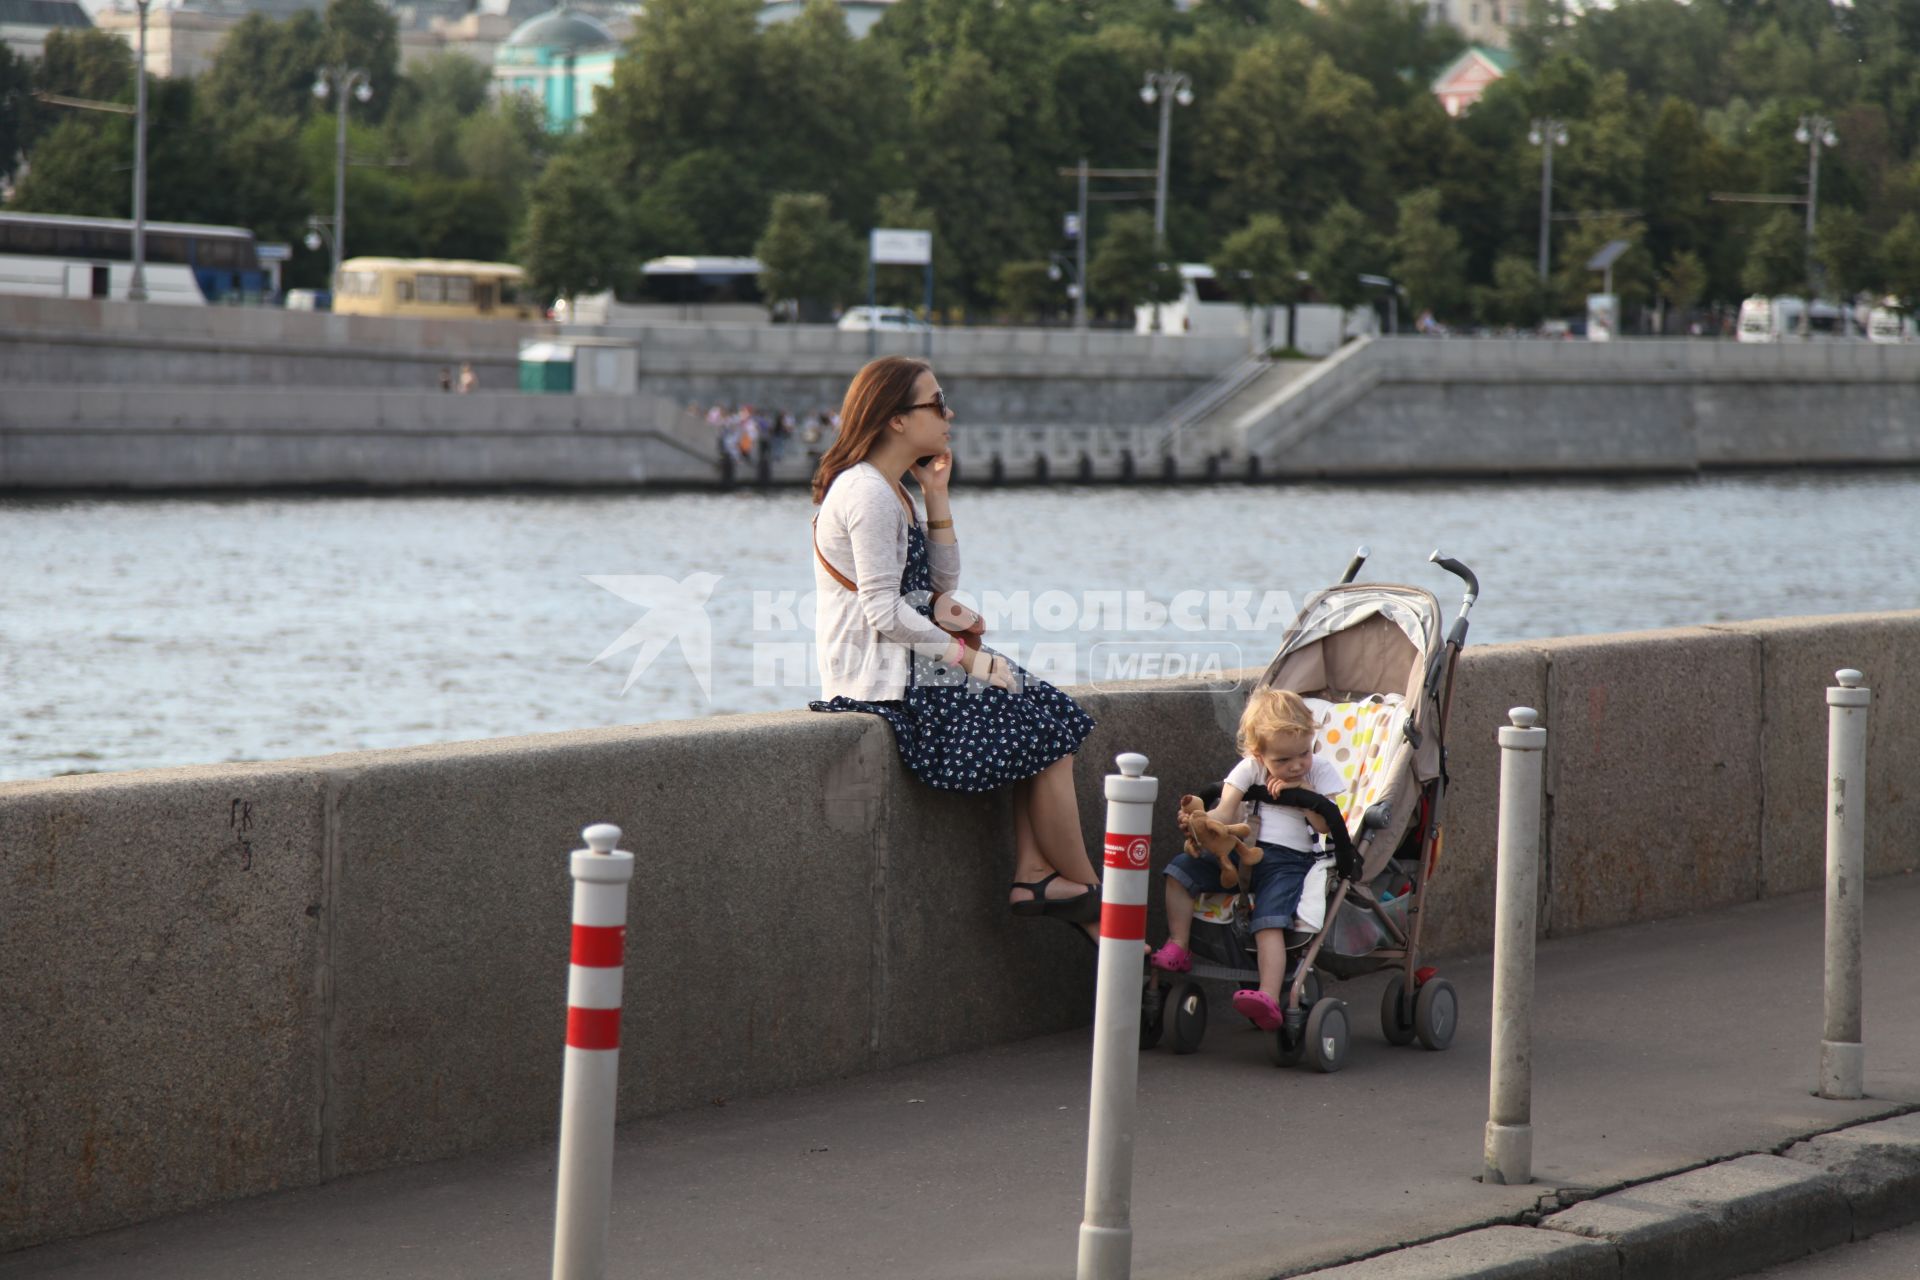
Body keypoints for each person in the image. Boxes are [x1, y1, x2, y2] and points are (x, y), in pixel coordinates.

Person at [808, 356, 1102, 934]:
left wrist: (936, 495)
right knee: (1047, 724)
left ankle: (1038, 872)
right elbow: (883, 611)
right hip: (886, 686)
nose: (950, 413)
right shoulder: (865, 493)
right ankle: (1090, 900)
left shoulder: (893, 490)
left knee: (1050, 717)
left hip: (914, 671)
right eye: (936, 403)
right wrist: (969, 657)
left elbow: (940, 586)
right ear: (896, 419)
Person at [1148, 688, 1349, 1027]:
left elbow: (1325, 825)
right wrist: (1201, 826)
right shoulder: (1250, 769)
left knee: (1269, 919)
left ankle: (1268, 995)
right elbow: (1225, 812)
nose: (1296, 765)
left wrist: (1303, 797)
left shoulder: (1318, 772)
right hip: (1240, 853)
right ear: (1260, 753)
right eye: (1283, 761)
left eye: (1303, 754)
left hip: (1290, 862)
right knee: (1179, 871)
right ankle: (1179, 944)